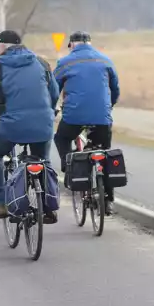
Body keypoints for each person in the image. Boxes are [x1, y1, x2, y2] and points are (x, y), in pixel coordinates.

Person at [0, 30, 60, 222]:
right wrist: (49, 110)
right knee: (43, 160)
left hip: (11, 127)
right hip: (43, 124)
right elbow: (54, 92)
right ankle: (48, 206)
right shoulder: (42, 63)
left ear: (1, 46)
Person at [53, 31, 120, 214]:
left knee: (61, 138)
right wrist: (109, 106)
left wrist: (53, 108)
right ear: (90, 44)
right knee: (105, 153)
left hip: (74, 117)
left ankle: (70, 169)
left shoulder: (65, 62)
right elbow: (115, 88)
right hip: (102, 117)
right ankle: (108, 200)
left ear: (71, 45)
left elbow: (52, 89)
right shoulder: (105, 60)